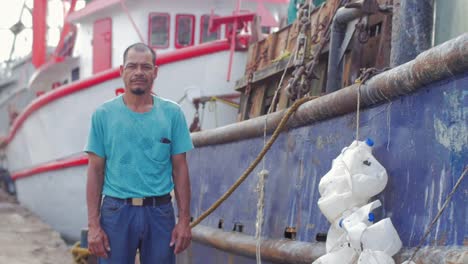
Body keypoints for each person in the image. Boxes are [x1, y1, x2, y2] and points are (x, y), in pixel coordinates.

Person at [85, 43, 194, 263]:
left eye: (145, 67)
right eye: (132, 66)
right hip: (116, 212)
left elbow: (180, 169)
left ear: (155, 72)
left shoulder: (173, 114)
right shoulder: (103, 115)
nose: (138, 72)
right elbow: (95, 171)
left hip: (160, 212)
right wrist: (94, 226)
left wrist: (184, 221)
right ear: (121, 71)